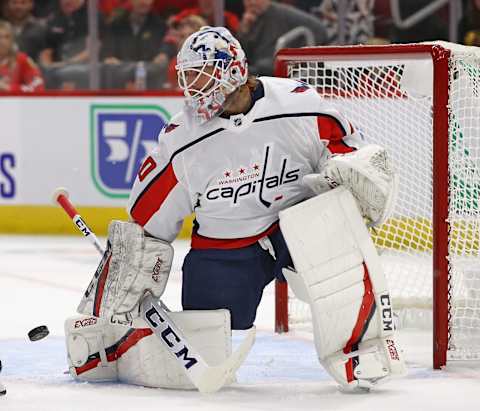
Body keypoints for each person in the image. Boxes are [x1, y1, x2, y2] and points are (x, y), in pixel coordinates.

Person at [65, 26, 405, 392]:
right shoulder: (182, 140)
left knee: (335, 233)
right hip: (225, 248)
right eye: (188, 78)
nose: (193, 89)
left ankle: (361, 349)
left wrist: (353, 174)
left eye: (202, 76)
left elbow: (347, 153)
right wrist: (126, 276)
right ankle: (113, 351)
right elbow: (146, 221)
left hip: (296, 226)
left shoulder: (300, 106)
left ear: (233, 72)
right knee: (205, 349)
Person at [237, 0, 327, 75]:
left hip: (275, 67)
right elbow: (242, 53)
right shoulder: (251, 17)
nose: (252, 2)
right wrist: (244, 30)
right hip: (260, 64)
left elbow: (319, 29)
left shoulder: (280, 14)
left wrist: (298, 55)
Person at [101, 0, 166, 64]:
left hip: (150, 73)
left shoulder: (160, 26)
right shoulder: (115, 26)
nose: (144, 1)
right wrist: (109, 59)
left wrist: (163, 55)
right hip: (120, 72)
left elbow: (164, 51)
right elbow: (107, 53)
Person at [0, 20, 44, 91]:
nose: (2, 41)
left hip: (14, 101)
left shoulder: (22, 60)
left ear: (12, 40)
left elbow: (38, 88)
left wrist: (8, 88)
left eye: (7, 37)